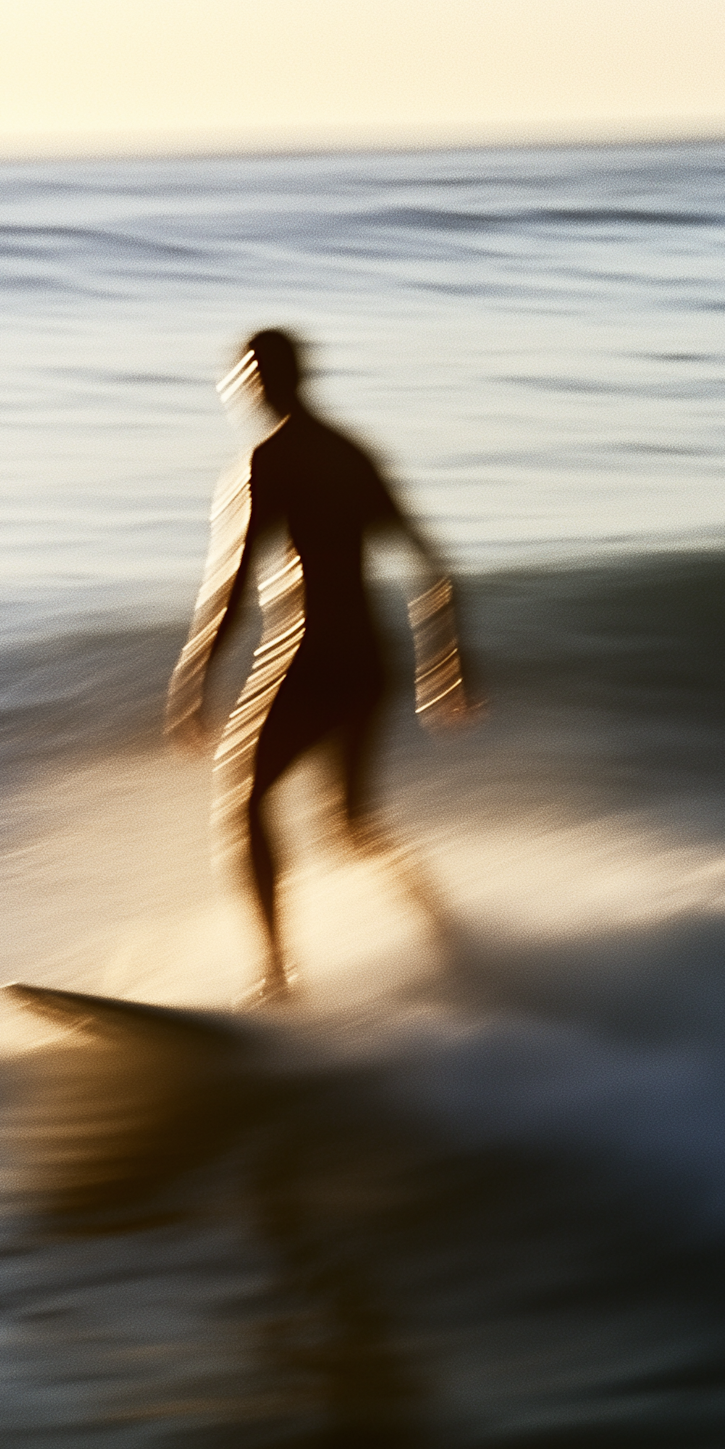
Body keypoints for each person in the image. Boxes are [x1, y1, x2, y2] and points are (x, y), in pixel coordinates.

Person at [166, 329, 474, 1001]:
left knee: (244, 801)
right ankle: (448, 933)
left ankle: (276, 978)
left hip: (310, 655)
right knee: (352, 823)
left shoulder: (266, 462)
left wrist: (196, 673)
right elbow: (435, 567)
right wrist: (447, 662)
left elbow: (234, 583)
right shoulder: (351, 455)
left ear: (258, 380)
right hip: (368, 659)